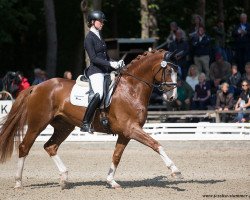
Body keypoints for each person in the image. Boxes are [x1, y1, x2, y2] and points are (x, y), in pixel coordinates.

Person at [81, 10, 124, 132]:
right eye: (100, 21)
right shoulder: (89, 38)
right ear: (93, 22)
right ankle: (85, 122)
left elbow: (104, 57)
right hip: (95, 71)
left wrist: (116, 63)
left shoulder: (99, 36)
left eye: (102, 22)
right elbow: (94, 58)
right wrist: (111, 63)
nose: (102, 23)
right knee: (99, 93)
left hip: (104, 70)